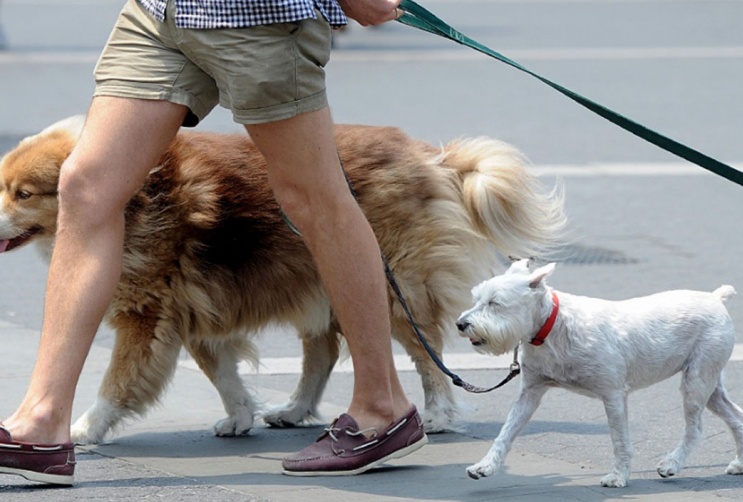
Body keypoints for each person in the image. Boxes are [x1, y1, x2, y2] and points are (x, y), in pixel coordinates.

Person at [0, 0, 425, 485]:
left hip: (252, 16)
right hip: (160, 11)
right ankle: (43, 422)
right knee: (87, 186)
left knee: (311, 196)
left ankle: (381, 406)